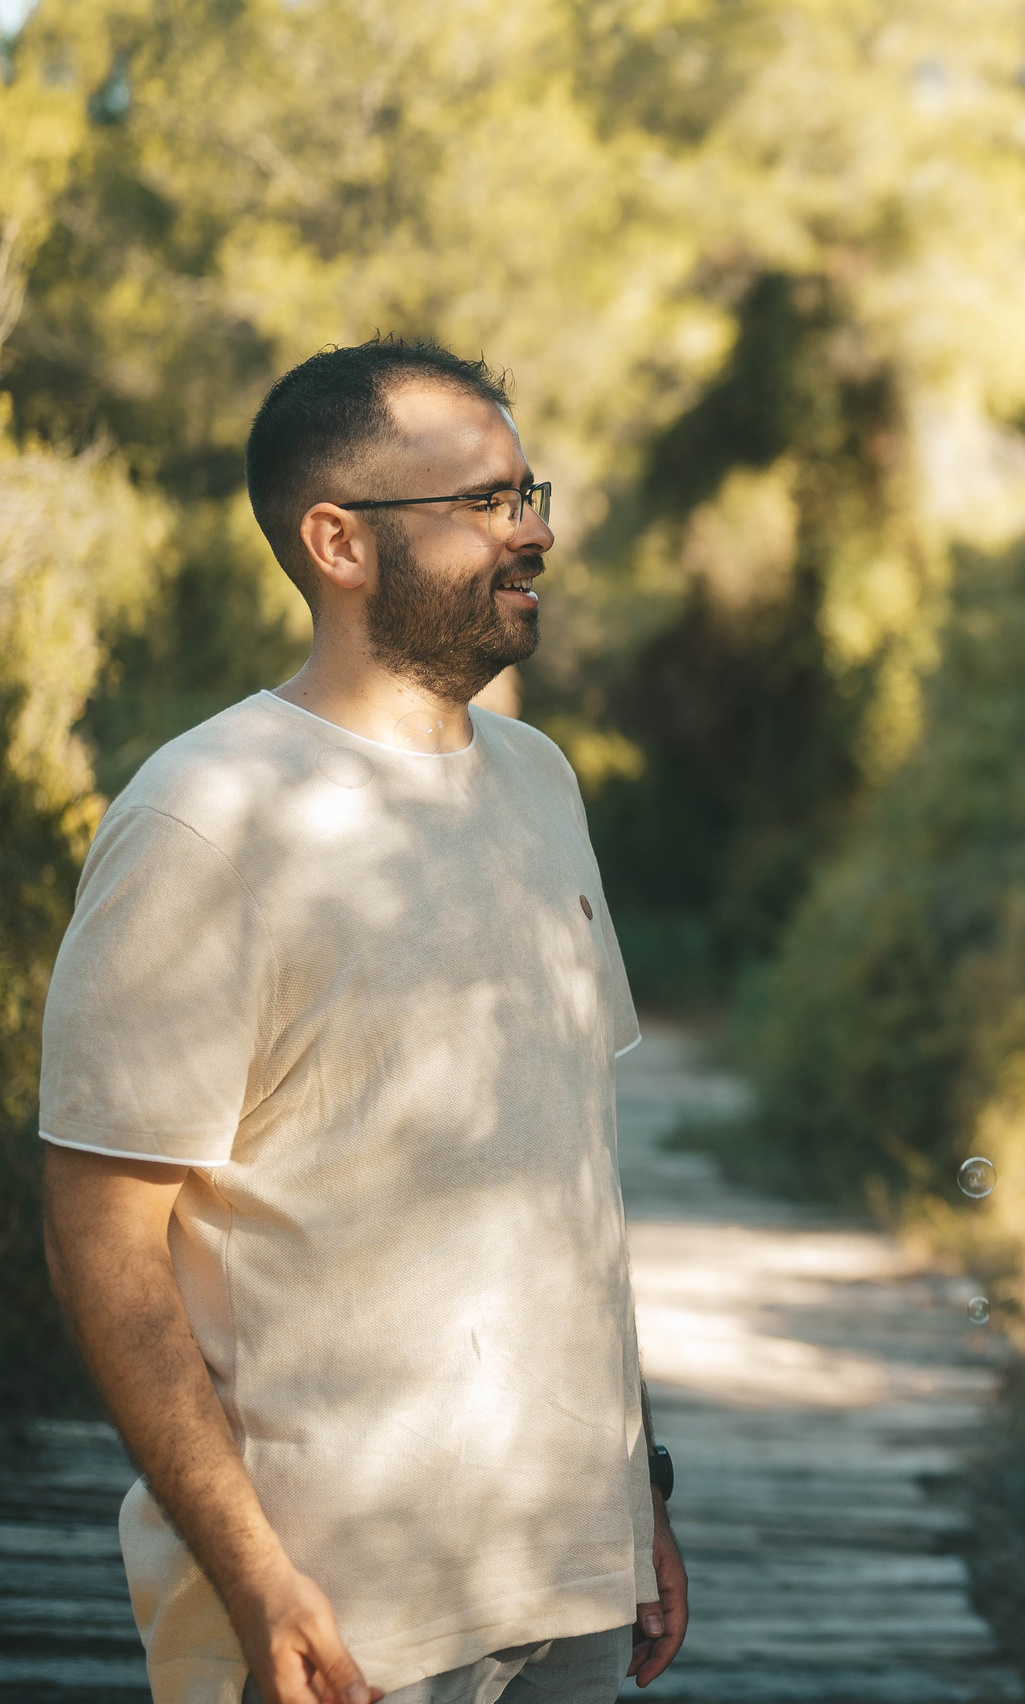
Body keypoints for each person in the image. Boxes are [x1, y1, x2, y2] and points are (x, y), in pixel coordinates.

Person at [39, 338, 688, 1704]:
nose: (538, 532)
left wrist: (644, 1491)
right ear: (336, 540)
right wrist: (255, 1575)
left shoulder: (539, 781)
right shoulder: (203, 817)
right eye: (486, 504)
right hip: (334, 1620)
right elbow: (104, 1244)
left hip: (564, 1577)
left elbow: (569, 1185)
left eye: (530, 492)